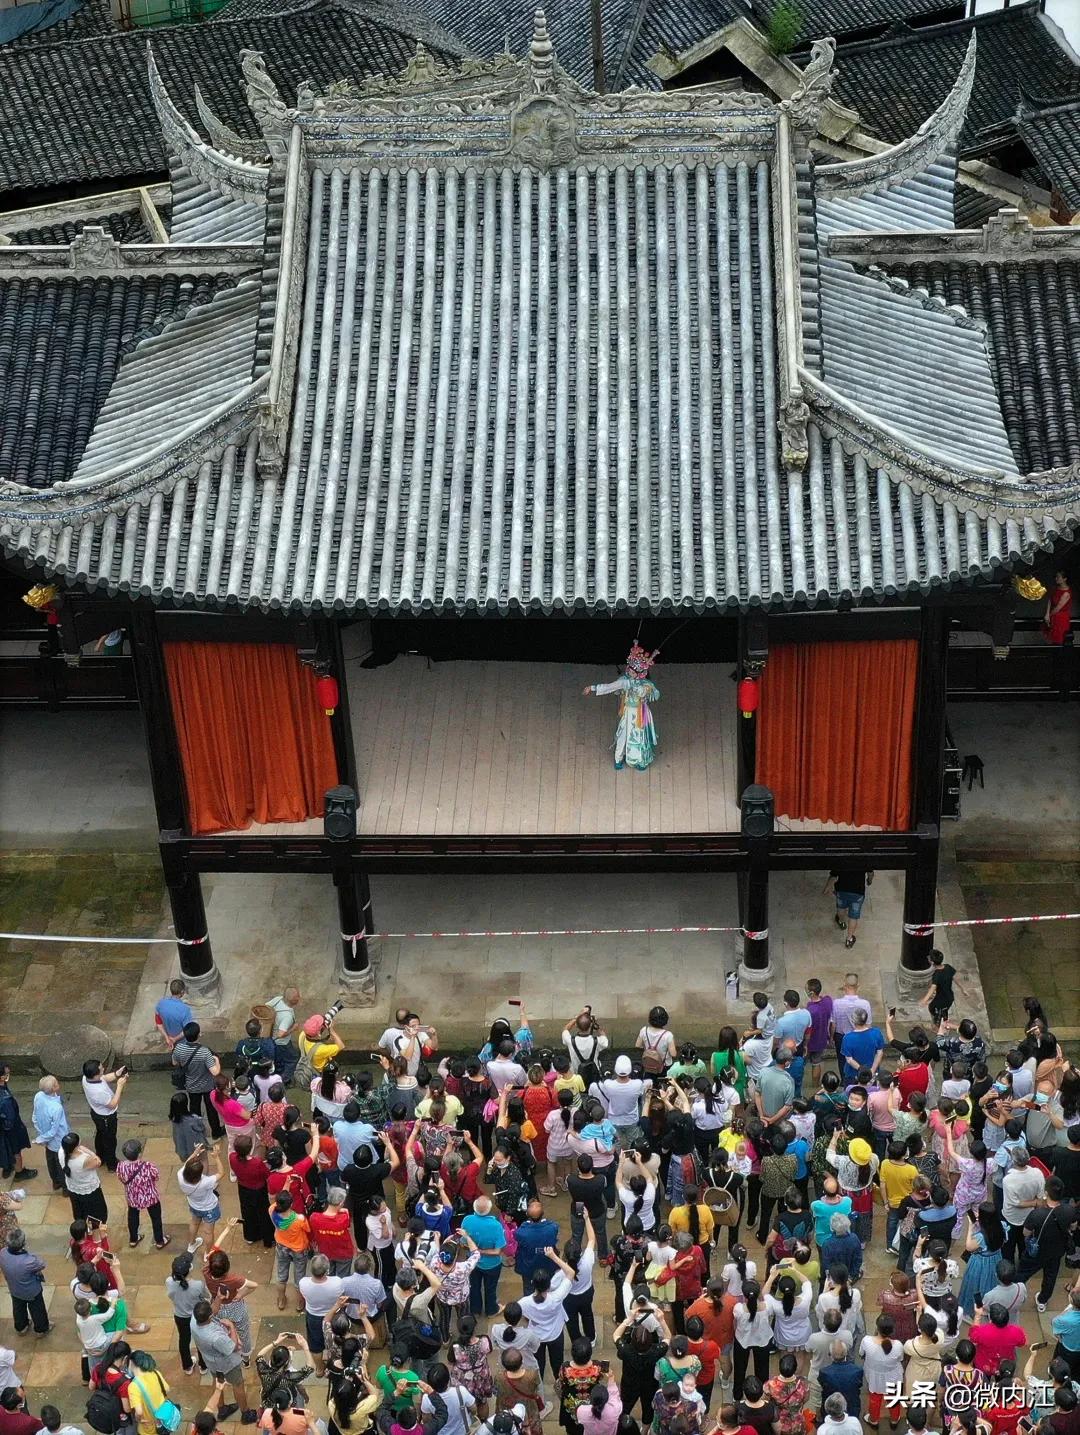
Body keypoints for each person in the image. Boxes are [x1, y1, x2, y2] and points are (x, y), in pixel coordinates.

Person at [191, 1300, 258, 1423]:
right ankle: (245, 1413)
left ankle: (222, 1409)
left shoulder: (193, 1322)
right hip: (226, 1364)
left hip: (210, 1362)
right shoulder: (215, 1337)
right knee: (238, 1384)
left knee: (217, 1382)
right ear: (210, 1316)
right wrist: (231, 1326)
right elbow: (232, 1347)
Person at [172, 1023, 224, 1139]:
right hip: (208, 1086)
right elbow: (215, 1072)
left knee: (194, 1109)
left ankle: (197, 1132)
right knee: (211, 1109)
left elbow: (175, 1063)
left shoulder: (179, 1048)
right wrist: (216, 1060)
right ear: (198, 1034)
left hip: (191, 1085)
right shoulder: (205, 1052)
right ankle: (216, 1132)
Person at [116, 1138, 169, 1250]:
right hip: (150, 1197)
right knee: (156, 1218)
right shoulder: (148, 1166)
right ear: (139, 1153)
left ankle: (133, 1239)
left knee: (132, 1216)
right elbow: (156, 1177)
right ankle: (159, 1241)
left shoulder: (121, 1166)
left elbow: (121, 1178)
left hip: (132, 1197)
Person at [165, 1251, 209, 1376]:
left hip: (180, 1316)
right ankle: (203, 1366)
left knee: (184, 1340)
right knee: (200, 1340)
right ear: (190, 1269)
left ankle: (187, 1366)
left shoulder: (169, 1282)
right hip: (196, 1316)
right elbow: (206, 1296)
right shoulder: (197, 1285)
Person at [462, 1196, 507, 1317]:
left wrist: (475, 1251)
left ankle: (475, 1310)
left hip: (473, 1262)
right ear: (489, 1209)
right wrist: (481, 1251)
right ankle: (491, 1310)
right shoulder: (496, 1225)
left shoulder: (467, 1220)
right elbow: (498, 1251)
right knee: (490, 1288)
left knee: (474, 1287)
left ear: (474, 1208)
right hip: (492, 1265)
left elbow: (463, 1243)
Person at [81, 1060, 128, 1173]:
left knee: (100, 1135)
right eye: (101, 1068)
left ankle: (100, 1157)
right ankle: (112, 1164)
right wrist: (120, 1086)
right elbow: (112, 1104)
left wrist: (117, 1074)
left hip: (96, 1113)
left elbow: (104, 1078)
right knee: (110, 1140)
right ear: (96, 1074)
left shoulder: (86, 1078)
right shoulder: (98, 1092)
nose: (103, 1069)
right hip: (106, 1117)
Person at [0, 1230, 49, 1338]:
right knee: (37, 1310)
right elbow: (42, 1263)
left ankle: (21, 1327)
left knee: (18, 1308)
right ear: (23, 1244)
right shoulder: (29, 1261)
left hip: (14, 1289)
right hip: (31, 1291)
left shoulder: (3, 1253)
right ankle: (41, 1329)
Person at [860, 1315, 905, 1429]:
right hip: (893, 1377)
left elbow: (861, 1354)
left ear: (877, 1328)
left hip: (874, 1378)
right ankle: (894, 1420)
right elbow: (900, 1359)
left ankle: (874, 1420)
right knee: (894, 1398)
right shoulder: (898, 1345)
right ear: (892, 1330)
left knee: (875, 1399)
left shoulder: (866, 1341)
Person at [177, 1145, 223, 1254]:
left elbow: (186, 1164)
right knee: (208, 1232)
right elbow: (221, 1173)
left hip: (194, 1205)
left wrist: (194, 1153)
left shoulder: (180, 1175)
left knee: (194, 1223)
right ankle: (208, 1253)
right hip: (209, 1208)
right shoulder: (205, 1182)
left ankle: (191, 1244)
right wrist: (216, 1157)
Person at [59, 1132, 107, 1223]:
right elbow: (97, 1161)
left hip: (73, 1188)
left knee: (80, 1212)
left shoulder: (61, 1152)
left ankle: (82, 1228)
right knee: (97, 1214)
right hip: (89, 1191)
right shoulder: (84, 1160)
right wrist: (87, 1151)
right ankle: (96, 1233)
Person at [30, 1077, 68, 1193]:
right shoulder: (56, 1108)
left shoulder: (38, 1096)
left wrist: (42, 1134)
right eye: (56, 1083)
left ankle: (55, 1182)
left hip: (46, 1137)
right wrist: (41, 1138)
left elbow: (34, 1117)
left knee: (50, 1160)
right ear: (53, 1088)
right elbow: (54, 1130)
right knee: (61, 1163)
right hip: (58, 1139)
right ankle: (65, 1188)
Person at [0, 1070, 35, 1184]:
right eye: (6, 1074)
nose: (8, 1076)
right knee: (15, 1149)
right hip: (9, 1128)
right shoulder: (5, 1099)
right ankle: (19, 1172)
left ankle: (7, 1166)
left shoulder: (3, 1086)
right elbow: (10, 1119)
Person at [828, 871, 871, 950]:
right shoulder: (865, 859)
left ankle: (841, 922)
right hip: (858, 893)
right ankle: (849, 939)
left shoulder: (841, 859)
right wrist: (869, 880)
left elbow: (833, 875)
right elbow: (870, 873)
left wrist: (828, 885)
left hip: (842, 890)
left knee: (841, 908)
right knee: (853, 916)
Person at [819, 1341, 863, 1417]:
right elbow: (859, 1385)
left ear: (830, 1355)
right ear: (846, 1354)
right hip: (852, 1408)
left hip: (831, 1409)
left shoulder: (824, 1372)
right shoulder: (857, 1370)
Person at [1043, 571, 1074, 644]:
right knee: (1053, 639)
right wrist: (1047, 613)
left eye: (1058, 577)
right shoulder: (1057, 588)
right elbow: (1050, 599)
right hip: (1054, 616)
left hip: (1061, 619)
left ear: (1064, 579)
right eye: (1056, 577)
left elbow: (1058, 608)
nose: (1056, 578)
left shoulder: (1066, 593)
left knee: (1060, 640)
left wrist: (1049, 616)